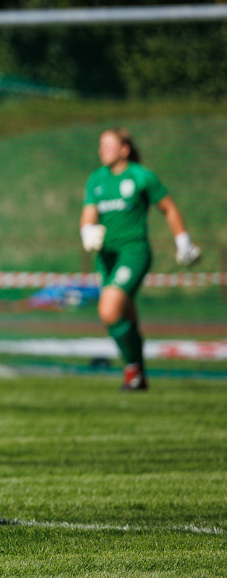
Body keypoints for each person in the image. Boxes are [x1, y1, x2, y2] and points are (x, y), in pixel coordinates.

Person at [80, 128, 201, 391]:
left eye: (109, 145)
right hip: (107, 259)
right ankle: (137, 374)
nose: (103, 149)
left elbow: (167, 207)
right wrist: (86, 230)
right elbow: (88, 213)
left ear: (124, 149)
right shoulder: (96, 179)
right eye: (101, 145)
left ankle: (132, 369)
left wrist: (184, 243)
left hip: (133, 253)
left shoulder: (140, 176)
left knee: (108, 311)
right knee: (125, 316)